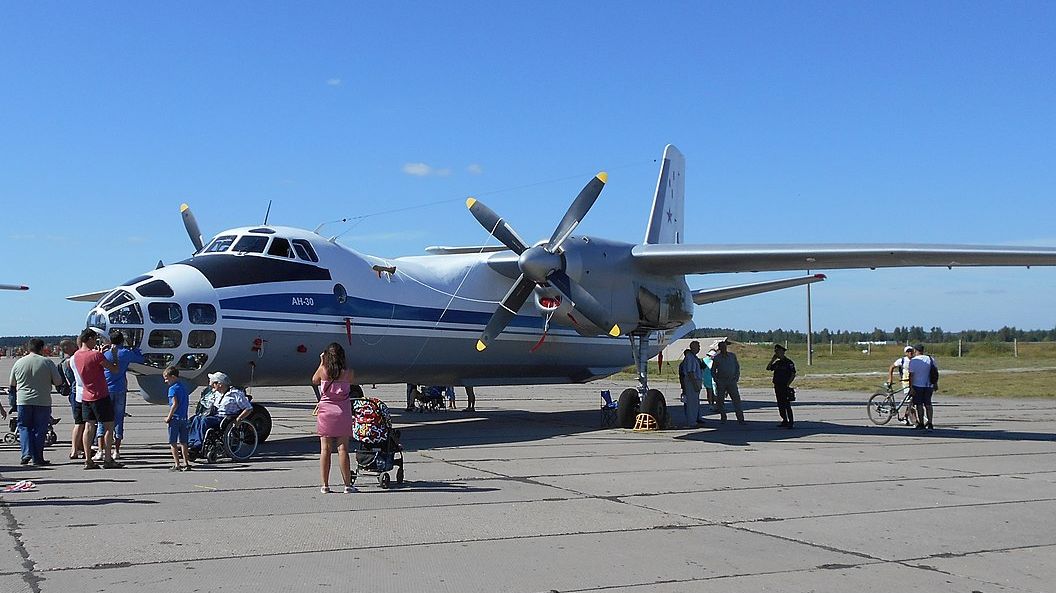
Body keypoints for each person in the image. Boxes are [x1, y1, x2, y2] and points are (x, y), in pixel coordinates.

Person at [70, 328, 123, 469]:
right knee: (108, 427)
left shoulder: (76, 355)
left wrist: (98, 353)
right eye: (94, 339)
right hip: (100, 394)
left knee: (89, 427)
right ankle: (107, 458)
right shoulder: (96, 356)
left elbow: (90, 363)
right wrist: (114, 355)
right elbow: (115, 369)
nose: (95, 342)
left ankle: (88, 459)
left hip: (86, 395)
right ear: (88, 339)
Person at [8, 338, 64, 465]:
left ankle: (26, 453)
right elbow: (58, 381)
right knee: (40, 429)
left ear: (29, 348)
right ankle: (37, 457)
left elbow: (12, 384)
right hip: (42, 400)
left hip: (23, 400)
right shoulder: (47, 362)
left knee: (24, 427)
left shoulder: (19, 363)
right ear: (42, 348)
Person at [94, 329, 144, 461]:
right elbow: (141, 359)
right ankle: (116, 450)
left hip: (105, 388)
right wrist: (135, 349)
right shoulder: (126, 353)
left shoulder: (106, 354)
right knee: (118, 419)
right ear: (122, 340)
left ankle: (100, 450)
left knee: (102, 420)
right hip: (120, 388)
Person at [311, 343, 354, 494]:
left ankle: (325, 485)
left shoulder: (323, 371)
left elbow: (314, 380)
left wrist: (322, 363)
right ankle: (347, 485)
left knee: (325, 450)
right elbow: (351, 382)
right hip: (342, 412)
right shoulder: (348, 373)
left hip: (326, 413)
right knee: (343, 449)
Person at [189, 372, 254, 447]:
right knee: (196, 418)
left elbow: (248, 408)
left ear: (220, 384)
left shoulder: (235, 394)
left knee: (204, 421)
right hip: (215, 416)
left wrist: (239, 419)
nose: (211, 385)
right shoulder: (217, 394)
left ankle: (197, 444)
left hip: (226, 418)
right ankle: (192, 441)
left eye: (213, 383)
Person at [57, 338, 86, 459]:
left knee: (79, 422)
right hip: (77, 392)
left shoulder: (64, 362)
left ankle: (78, 447)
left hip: (73, 393)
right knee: (81, 422)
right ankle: (79, 446)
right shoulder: (71, 361)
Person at [162, 366, 191, 471]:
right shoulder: (183, 387)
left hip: (175, 418)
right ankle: (186, 463)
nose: (166, 381)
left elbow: (175, 404)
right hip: (184, 418)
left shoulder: (172, 389)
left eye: (167, 378)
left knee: (173, 442)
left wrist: (168, 417)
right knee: (184, 442)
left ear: (173, 377)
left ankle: (177, 464)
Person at [711, 339, 745, 424]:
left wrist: (736, 377)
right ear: (719, 348)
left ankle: (740, 419)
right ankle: (723, 417)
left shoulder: (732, 356)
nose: (724, 348)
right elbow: (713, 370)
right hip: (721, 381)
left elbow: (737, 367)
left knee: (736, 400)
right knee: (720, 400)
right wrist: (716, 379)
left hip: (731, 381)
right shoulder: (717, 358)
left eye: (725, 347)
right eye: (722, 347)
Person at [766, 343, 797, 428]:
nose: (776, 353)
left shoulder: (788, 362)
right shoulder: (777, 363)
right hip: (777, 385)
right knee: (780, 404)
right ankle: (784, 420)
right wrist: (772, 360)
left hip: (784, 386)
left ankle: (790, 422)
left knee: (787, 405)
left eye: (778, 351)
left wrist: (787, 384)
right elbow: (768, 368)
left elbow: (793, 374)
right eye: (775, 351)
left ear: (782, 352)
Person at [908, 344, 938, 430]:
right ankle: (930, 423)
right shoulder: (931, 359)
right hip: (929, 385)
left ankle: (921, 423)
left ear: (915, 350)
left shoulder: (913, 361)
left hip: (917, 385)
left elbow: (911, 375)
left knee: (919, 405)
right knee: (928, 404)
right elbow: (935, 372)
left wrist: (911, 387)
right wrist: (935, 383)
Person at [887, 346, 918, 426]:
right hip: (906, 382)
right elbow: (891, 367)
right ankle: (915, 421)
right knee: (910, 401)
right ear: (905, 353)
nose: (910, 353)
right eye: (908, 351)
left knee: (911, 401)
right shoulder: (902, 360)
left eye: (911, 351)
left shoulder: (916, 360)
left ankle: (905, 417)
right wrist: (890, 378)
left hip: (914, 381)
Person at [678, 341, 704, 426]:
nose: (699, 348)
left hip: (695, 381)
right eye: (698, 346)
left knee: (695, 402)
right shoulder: (690, 357)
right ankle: (692, 421)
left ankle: (695, 419)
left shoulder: (694, 357)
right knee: (691, 403)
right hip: (692, 382)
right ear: (693, 347)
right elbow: (690, 372)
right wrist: (695, 384)